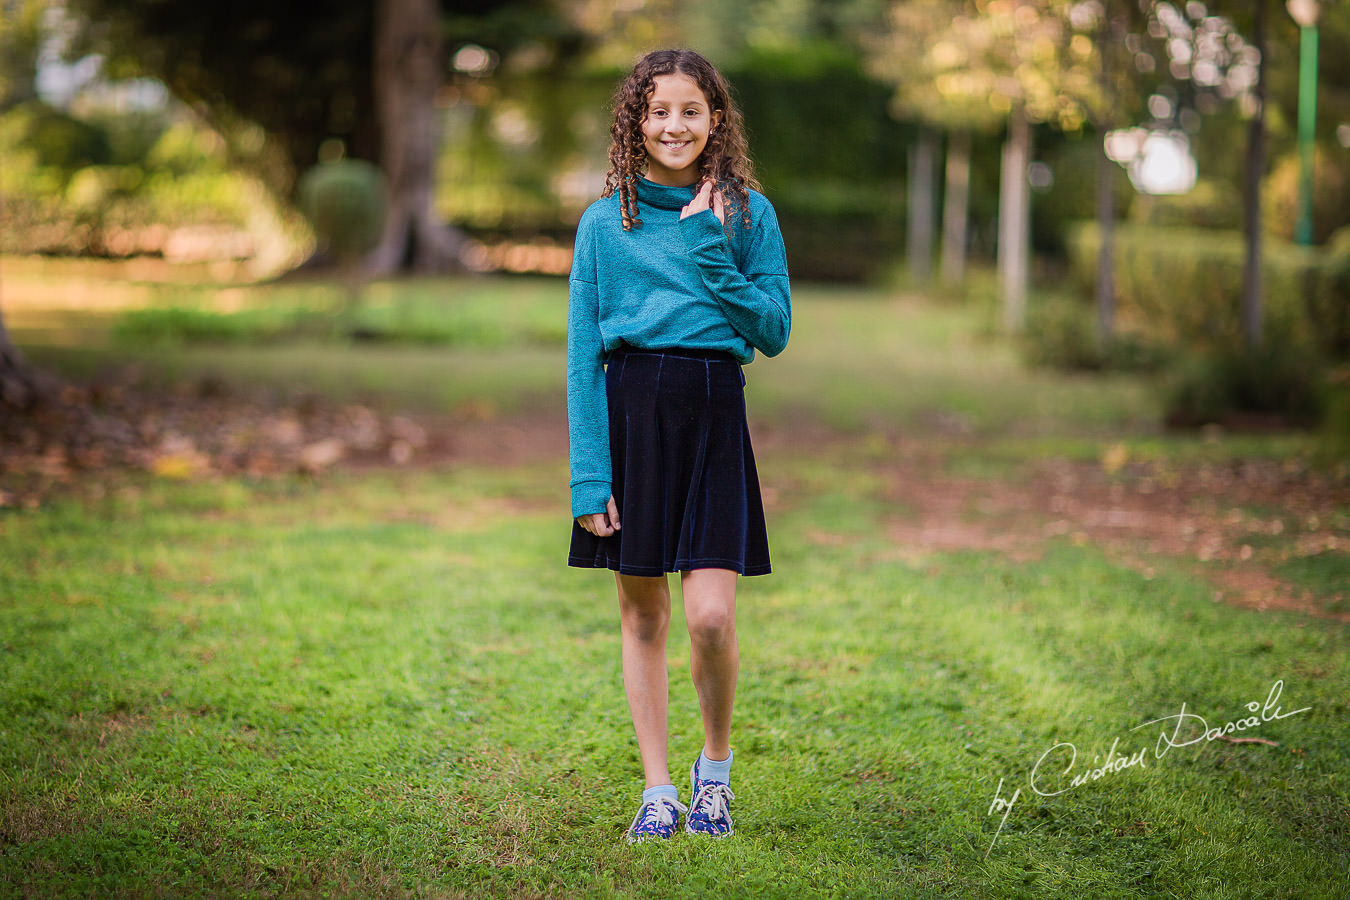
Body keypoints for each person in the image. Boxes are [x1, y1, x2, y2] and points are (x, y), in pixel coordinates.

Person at [566, 48, 791, 844]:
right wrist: (588, 478)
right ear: (635, 121)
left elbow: (773, 331)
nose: (673, 125)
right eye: (657, 111)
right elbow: (582, 355)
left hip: (712, 416)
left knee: (709, 617)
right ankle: (659, 789)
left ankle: (715, 773)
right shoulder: (604, 222)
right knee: (642, 615)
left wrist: (706, 246)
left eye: (690, 110)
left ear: (715, 121)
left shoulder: (748, 214)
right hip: (631, 419)